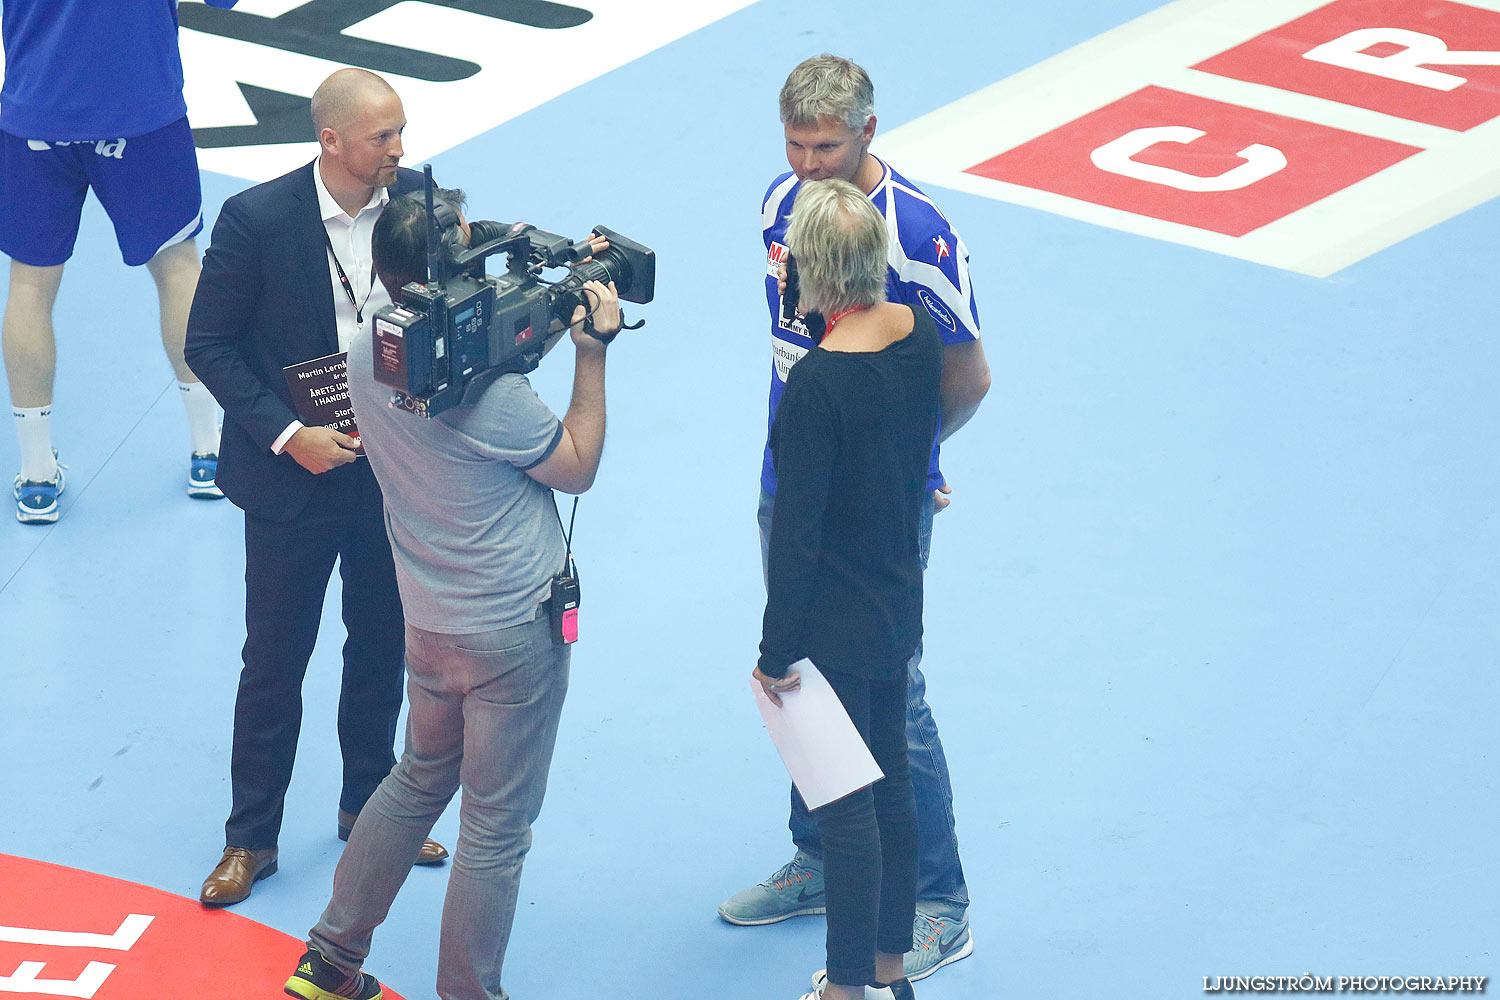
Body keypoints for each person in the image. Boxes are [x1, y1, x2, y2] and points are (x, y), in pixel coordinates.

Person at [282, 192, 623, 1000]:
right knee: (495, 828)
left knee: (416, 777)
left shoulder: (370, 340)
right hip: (511, 627)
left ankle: (330, 960)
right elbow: (576, 465)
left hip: (429, 617)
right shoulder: (486, 397)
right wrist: (593, 353)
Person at [721, 53, 990, 984]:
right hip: (791, 472)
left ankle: (935, 903)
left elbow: (965, 375)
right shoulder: (779, 205)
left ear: (868, 133)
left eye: (826, 145)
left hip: (877, 499)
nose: (808, 164)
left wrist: (909, 463)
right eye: (795, 145)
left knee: (890, 696)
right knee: (808, 690)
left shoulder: (918, 231)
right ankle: (827, 857)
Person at [184, 67, 446, 909]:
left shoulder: (418, 200)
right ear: (330, 140)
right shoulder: (256, 220)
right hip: (294, 476)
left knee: (379, 644)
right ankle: (249, 838)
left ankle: (369, 811)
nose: (399, 152)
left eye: (401, 133)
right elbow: (210, 345)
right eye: (382, 137)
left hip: (389, 467)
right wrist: (290, 436)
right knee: (274, 662)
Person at [755, 177, 942, 1000]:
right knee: (892, 786)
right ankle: (890, 972)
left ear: (816, 272)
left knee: (844, 805)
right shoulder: (919, 334)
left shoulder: (817, 389)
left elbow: (797, 536)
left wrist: (775, 652)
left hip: (833, 621)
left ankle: (845, 988)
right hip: (900, 596)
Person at [0, 0, 236, 524]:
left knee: (30, 285)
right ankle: (208, 451)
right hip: (142, 113)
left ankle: (37, 475)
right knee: (178, 270)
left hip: (35, 112)